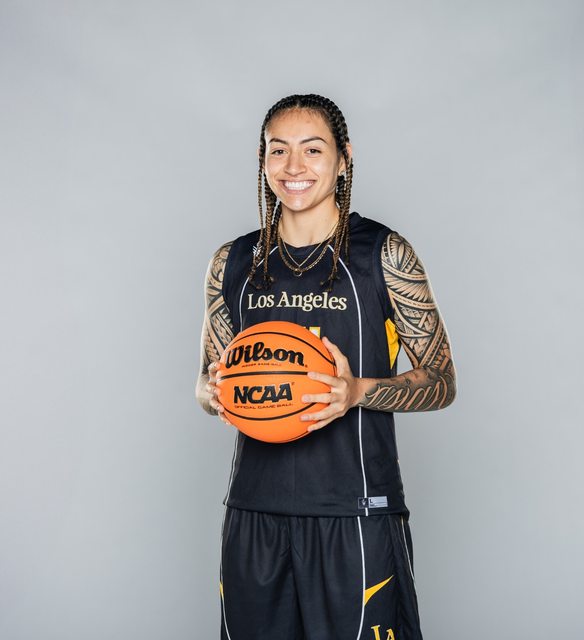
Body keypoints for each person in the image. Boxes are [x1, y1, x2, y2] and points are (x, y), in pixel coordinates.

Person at [195, 94, 456, 640]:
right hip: (253, 513)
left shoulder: (384, 254)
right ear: (263, 159)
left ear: (343, 159)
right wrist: (214, 392)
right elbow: (205, 381)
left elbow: (441, 380)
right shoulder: (232, 263)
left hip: (354, 514)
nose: (294, 166)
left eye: (313, 149)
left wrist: (357, 391)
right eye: (278, 150)